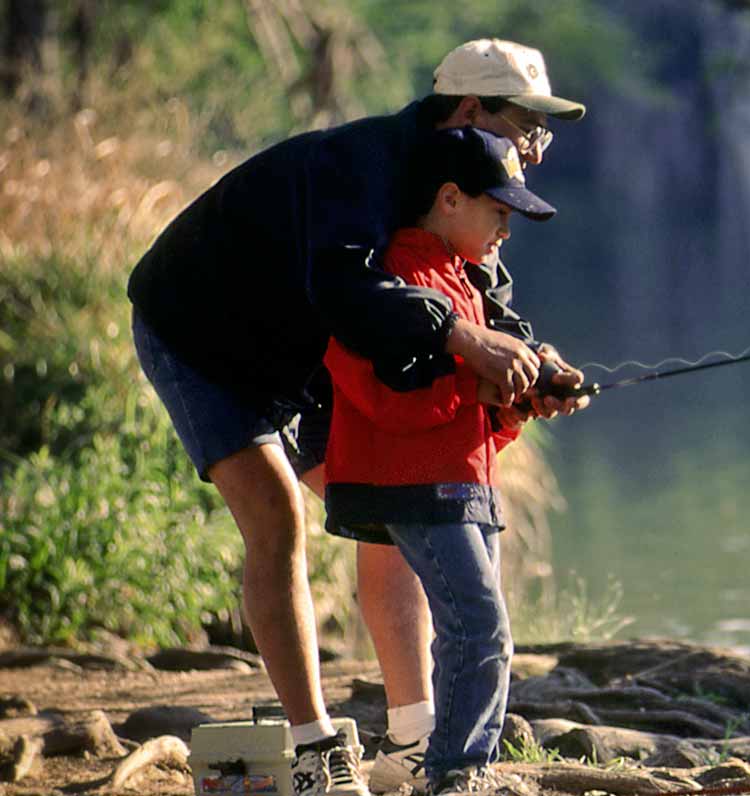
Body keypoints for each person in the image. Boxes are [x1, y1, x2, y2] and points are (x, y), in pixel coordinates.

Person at [128, 39, 589, 796]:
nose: (533, 151)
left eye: (543, 133)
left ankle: (412, 740)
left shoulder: (469, 180)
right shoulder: (361, 165)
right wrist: (463, 339)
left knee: (387, 506)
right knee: (275, 517)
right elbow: (345, 286)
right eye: (525, 127)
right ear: (469, 111)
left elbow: (485, 299)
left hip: (310, 348)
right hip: (202, 330)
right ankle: (314, 750)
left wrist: (533, 364)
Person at [323, 127, 552, 796]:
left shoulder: (465, 284)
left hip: (464, 485)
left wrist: (519, 402)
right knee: (477, 629)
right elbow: (387, 398)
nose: (505, 230)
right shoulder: (393, 276)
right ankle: (453, 774)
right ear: (449, 198)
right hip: (417, 487)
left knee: (486, 632)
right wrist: (474, 386)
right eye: (498, 212)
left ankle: (463, 767)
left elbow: (471, 418)